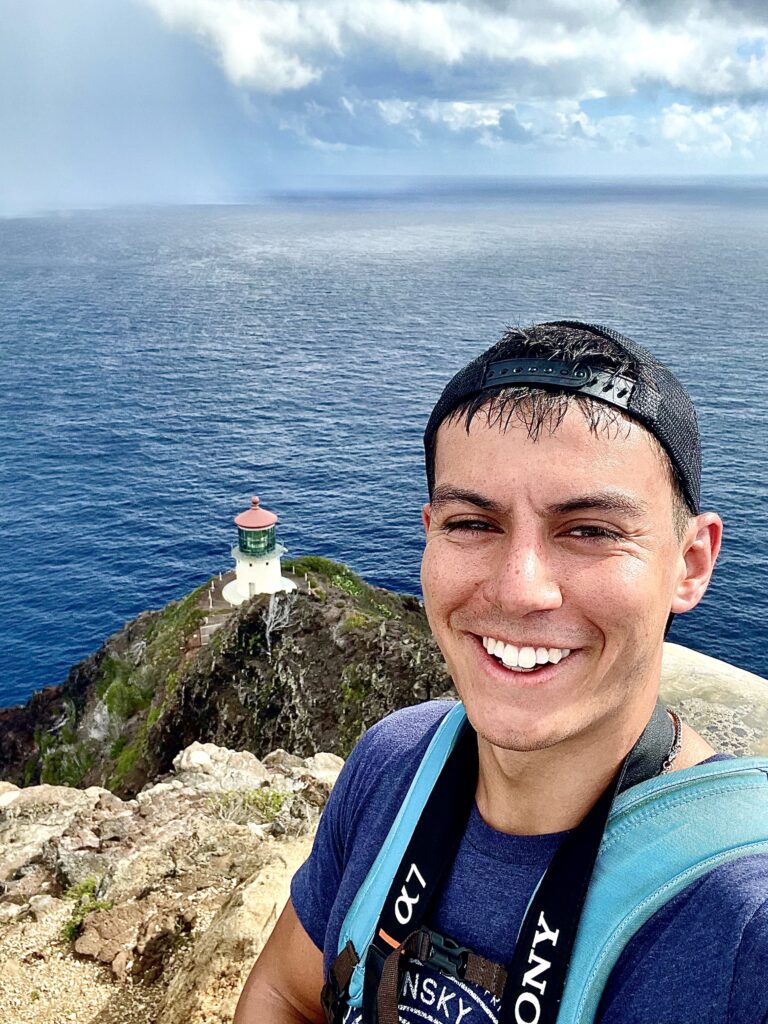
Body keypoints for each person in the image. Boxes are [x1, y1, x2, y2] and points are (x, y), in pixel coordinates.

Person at [234, 321, 768, 1024]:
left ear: (690, 563)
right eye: (472, 524)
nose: (520, 589)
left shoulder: (745, 921)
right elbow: (285, 994)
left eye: (590, 530)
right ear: (428, 533)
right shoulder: (394, 764)